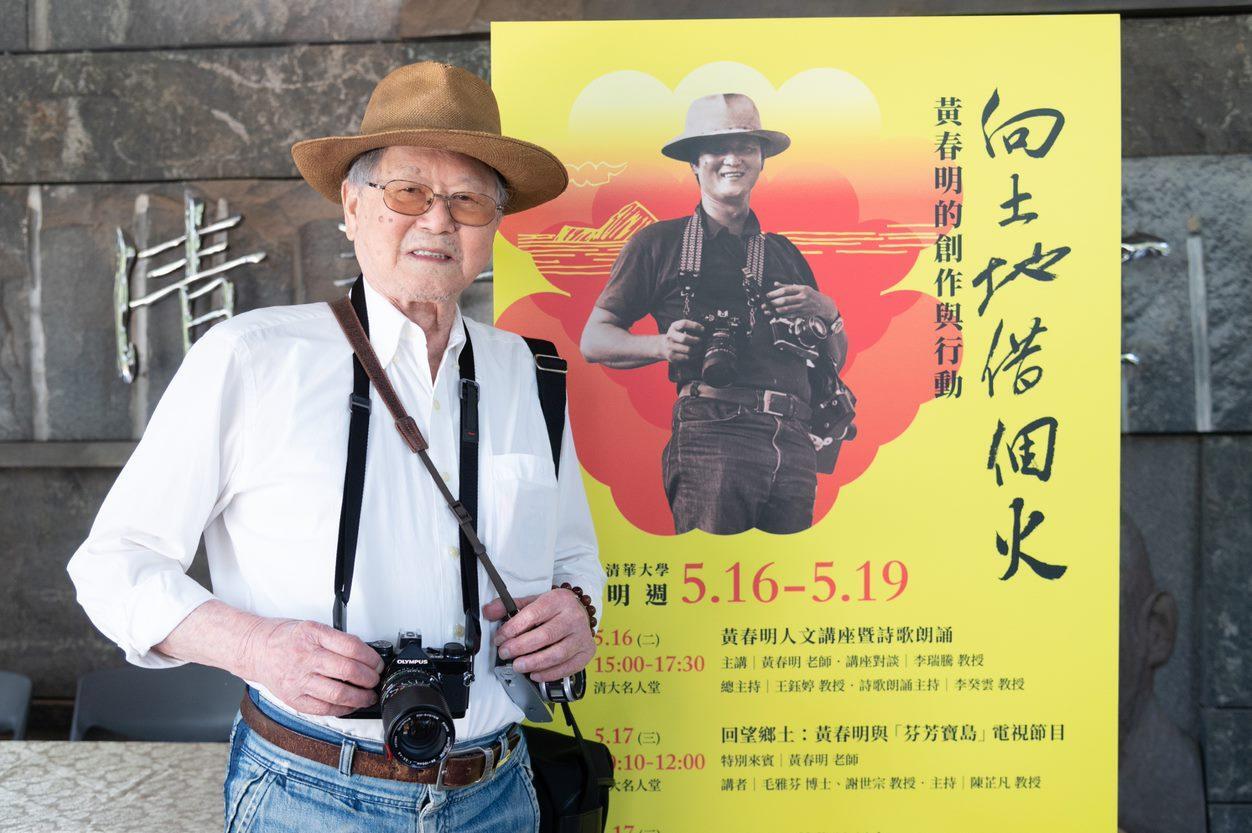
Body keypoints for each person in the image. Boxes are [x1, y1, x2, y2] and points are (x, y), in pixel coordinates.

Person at [67, 61, 605, 833]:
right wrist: (256, 646)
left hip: (501, 789)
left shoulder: (532, 373)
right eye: (408, 192)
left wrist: (577, 613)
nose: (438, 220)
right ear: (351, 208)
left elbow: (575, 561)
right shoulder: (251, 358)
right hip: (308, 791)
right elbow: (112, 565)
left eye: (469, 198)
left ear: (495, 223)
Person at [581, 93, 848, 535]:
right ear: (694, 162)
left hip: (796, 442)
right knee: (714, 583)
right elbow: (594, 339)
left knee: (788, 590)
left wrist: (829, 311)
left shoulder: (784, 253)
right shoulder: (660, 244)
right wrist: (661, 345)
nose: (732, 160)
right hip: (715, 435)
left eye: (745, 147)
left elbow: (833, 357)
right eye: (717, 148)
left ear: (761, 160)